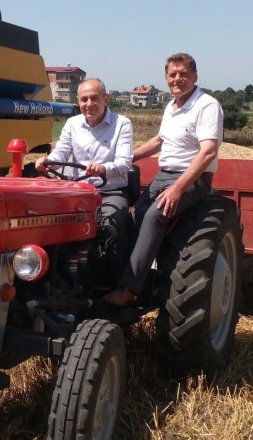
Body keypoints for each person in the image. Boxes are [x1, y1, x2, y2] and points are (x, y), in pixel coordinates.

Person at [103, 53, 224, 306]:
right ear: (166, 78)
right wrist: (128, 159)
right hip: (163, 175)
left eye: (184, 74)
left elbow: (208, 152)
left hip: (193, 177)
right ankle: (127, 278)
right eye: (173, 74)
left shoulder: (207, 105)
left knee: (155, 215)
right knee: (133, 217)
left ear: (195, 76)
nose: (178, 78)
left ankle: (129, 290)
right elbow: (160, 141)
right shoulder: (172, 105)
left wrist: (178, 188)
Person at [35, 78, 133, 280]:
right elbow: (61, 153)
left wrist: (103, 168)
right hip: (77, 191)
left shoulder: (121, 124)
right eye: (84, 99)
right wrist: (47, 161)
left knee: (111, 224)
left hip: (109, 191)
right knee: (45, 221)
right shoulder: (72, 123)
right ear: (78, 102)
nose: (89, 104)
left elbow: (125, 163)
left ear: (105, 99)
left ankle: (115, 282)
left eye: (95, 98)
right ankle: (53, 276)